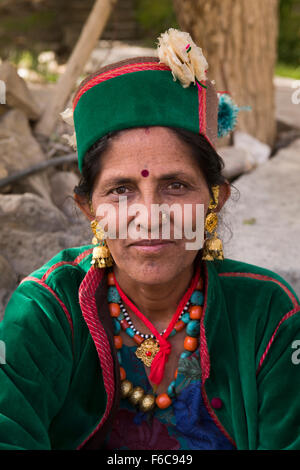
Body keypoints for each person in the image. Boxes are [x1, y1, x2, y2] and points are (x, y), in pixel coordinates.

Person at [0, 29, 300, 451]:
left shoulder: (267, 313)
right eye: (120, 190)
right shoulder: (45, 314)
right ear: (89, 208)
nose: (149, 216)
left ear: (216, 199)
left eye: (175, 186)